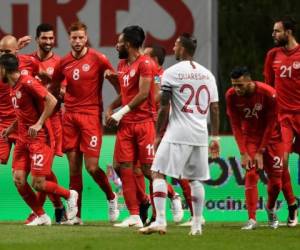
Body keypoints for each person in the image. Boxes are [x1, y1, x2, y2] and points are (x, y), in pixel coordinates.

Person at [139, 33, 220, 235]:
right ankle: (197, 225)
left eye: (175, 45)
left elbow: (164, 106)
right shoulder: (207, 74)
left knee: (157, 171)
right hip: (200, 134)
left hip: (177, 132)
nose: (173, 49)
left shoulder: (172, 73)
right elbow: (215, 108)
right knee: (196, 180)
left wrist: (158, 135)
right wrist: (215, 137)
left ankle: (159, 220)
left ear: (182, 48)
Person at [51, 21, 119, 224]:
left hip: (90, 116)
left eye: (81, 37)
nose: (78, 41)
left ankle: (111, 196)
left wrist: (116, 106)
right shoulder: (63, 62)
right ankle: (77, 216)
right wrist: (59, 95)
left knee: (91, 167)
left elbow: (119, 87)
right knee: (74, 169)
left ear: (86, 38)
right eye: (74, 38)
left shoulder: (99, 58)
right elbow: (54, 86)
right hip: (69, 117)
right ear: (69, 39)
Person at [0, 53, 78, 226]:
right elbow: (23, 111)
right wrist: (11, 128)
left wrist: (39, 123)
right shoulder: (13, 86)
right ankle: (41, 216)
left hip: (39, 138)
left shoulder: (28, 82)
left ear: (4, 69)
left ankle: (69, 195)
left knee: (38, 183)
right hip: (22, 139)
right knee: (18, 179)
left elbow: (51, 100)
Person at [106, 25, 157, 228]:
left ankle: (159, 213)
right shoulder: (121, 64)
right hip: (126, 125)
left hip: (144, 124)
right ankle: (134, 215)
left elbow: (143, 94)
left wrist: (119, 113)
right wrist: (112, 106)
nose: (116, 45)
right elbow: (127, 93)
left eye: (119, 42)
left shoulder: (146, 63)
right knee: (123, 167)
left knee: (148, 170)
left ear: (128, 44)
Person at [226, 66, 284, 230]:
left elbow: (271, 124)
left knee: (276, 184)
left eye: (240, 85)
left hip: (273, 138)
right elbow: (236, 125)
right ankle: (252, 219)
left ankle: (270, 208)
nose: (236, 89)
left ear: (249, 81)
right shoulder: (231, 95)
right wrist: (244, 152)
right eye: (234, 85)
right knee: (251, 174)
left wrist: (260, 151)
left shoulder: (268, 94)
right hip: (250, 137)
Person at [24, 23, 67, 224]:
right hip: (29, 123)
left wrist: (64, 92)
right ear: (37, 39)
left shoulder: (59, 63)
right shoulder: (27, 62)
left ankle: (44, 211)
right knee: (43, 170)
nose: (49, 42)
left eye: (51, 38)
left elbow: (65, 91)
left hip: (52, 121)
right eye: (45, 38)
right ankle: (55, 208)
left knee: (44, 170)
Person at [263, 15, 298, 227]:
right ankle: (292, 205)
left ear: (289, 32)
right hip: (283, 118)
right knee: (282, 162)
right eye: (274, 31)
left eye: (277, 31)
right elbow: (268, 87)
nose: (273, 34)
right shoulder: (272, 55)